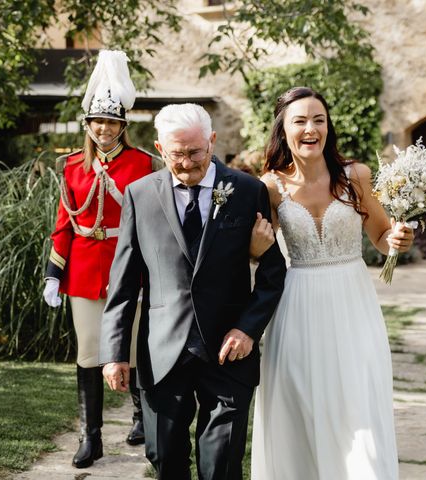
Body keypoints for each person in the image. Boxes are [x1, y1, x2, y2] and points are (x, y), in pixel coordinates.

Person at [98, 103, 287, 480]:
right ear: (159, 148)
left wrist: (248, 329)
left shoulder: (247, 191)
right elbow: (121, 284)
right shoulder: (139, 195)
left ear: (212, 141)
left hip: (228, 353)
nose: (186, 163)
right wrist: (114, 353)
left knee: (220, 466)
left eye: (195, 152)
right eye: (176, 154)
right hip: (162, 352)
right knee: (164, 458)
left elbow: (272, 274)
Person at [250, 86, 414, 479]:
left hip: (352, 304)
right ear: (283, 130)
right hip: (296, 307)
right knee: (301, 408)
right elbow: (263, 254)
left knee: (360, 407)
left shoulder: (355, 176)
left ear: (328, 127)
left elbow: (379, 234)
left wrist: (397, 240)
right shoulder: (270, 187)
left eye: (318, 120)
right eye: (300, 120)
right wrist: (256, 249)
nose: (311, 128)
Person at [42, 50, 154, 468]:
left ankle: (142, 419)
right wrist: (54, 272)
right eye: (97, 122)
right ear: (87, 124)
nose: (103, 129)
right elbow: (63, 224)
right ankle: (91, 438)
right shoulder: (72, 166)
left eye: (111, 122)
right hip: (86, 271)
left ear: (123, 125)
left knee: (138, 349)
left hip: (132, 271)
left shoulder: (145, 165)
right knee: (89, 353)